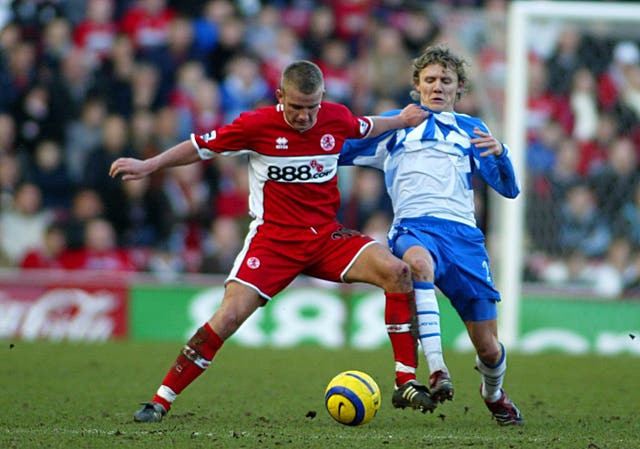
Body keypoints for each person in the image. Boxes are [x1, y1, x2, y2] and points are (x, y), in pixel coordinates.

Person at [109, 60, 433, 423]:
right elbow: (200, 147)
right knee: (228, 317)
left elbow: (368, 126)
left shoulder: (335, 117)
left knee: (398, 271)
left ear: (322, 98)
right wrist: (149, 165)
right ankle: (161, 399)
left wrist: (403, 119)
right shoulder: (257, 125)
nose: (304, 116)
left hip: (326, 236)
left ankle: (405, 380)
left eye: (311, 107)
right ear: (280, 96)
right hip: (274, 242)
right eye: (296, 107)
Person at [340, 45, 523, 425]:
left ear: (459, 89)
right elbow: (337, 149)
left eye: (446, 81)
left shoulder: (474, 130)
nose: (437, 87)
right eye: (430, 80)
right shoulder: (396, 124)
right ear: (416, 85)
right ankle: (437, 369)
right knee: (418, 264)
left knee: (489, 348)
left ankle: (493, 394)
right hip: (414, 228)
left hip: (464, 240)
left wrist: (501, 153)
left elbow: (508, 190)